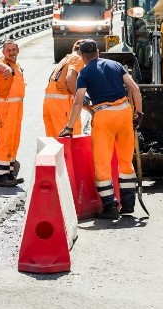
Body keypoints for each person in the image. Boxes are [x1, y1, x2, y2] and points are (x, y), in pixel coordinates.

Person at [59, 40, 143, 219]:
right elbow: (135, 89)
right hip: (124, 112)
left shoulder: (84, 73)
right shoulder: (116, 65)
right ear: (98, 51)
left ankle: (110, 208)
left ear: (82, 55)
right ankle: (128, 205)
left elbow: (78, 102)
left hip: (104, 115)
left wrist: (69, 126)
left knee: (102, 164)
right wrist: (139, 113)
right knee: (126, 161)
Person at [0, 39, 25, 187]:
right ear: (3, 52)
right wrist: (6, 68)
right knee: (4, 140)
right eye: (8, 50)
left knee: (14, 140)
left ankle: (9, 172)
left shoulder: (16, 66)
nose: (11, 53)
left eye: (14, 50)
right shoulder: (2, 63)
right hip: (4, 108)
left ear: (18, 50)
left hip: (16, 108)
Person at [42, 41, 84, 137]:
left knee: (55, 141)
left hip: (50, 102)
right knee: (71, 138)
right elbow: (70, 79)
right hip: (62, 104)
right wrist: (79, 98)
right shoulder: (77, 58)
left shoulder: (66, 59)